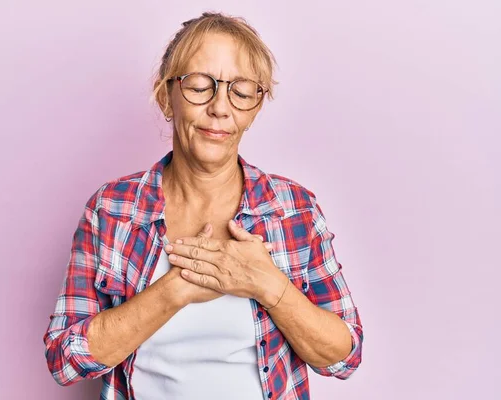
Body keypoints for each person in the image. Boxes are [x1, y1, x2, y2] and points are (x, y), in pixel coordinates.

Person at [43, 12, 363, 400]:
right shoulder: (111, 210)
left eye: (241, 91)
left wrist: (267, 284)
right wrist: (174, 290)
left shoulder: (293, 209)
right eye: (199, 86)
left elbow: (344, 356)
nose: (220, 108)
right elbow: (64, 361)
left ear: (255, 108)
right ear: (166, 97)